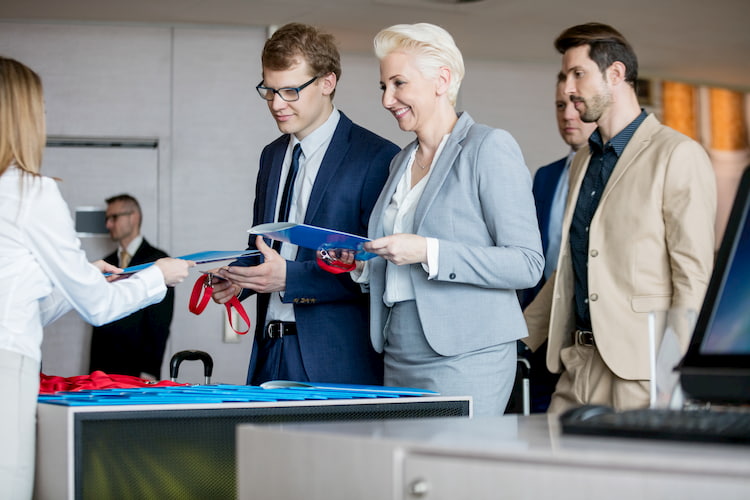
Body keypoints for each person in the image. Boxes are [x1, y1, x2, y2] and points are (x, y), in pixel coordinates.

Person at [0, 56, 192, 499]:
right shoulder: (33, 190)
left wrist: (82, 277)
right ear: (24, 116)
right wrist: (158, 277)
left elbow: (22, 304)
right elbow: (99, 309)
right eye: (41, 108)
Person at [523, 22, 717, 413]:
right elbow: (571, 268)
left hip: (643, 373)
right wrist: (516, 338)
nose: (567, 89)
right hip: (576, 364)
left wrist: (673, 371)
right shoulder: (581, 162)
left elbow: (693, 276)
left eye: (578, 74)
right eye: (564, 77)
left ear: (616, 74)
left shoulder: (677, 154)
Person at [357, 23, 543, 416]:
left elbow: (527, 264)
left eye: (399, 83)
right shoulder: (399, 161)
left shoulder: (489, 147)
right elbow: (394, 261)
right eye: (383, 87)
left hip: (467, 352)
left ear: (442, 79)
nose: (387, 99)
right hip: (398, 346)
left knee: (454, 471)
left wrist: (428, 251)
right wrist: (358, 261)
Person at [211, 23, 400, 386]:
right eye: (269, 90)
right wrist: (240, 279)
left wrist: (290, 277)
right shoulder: (271, 156)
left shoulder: (377, 158)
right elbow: (263, 247)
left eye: (290, 91)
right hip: (269, 351)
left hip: (336, 360)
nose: (277, 104)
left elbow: (376, 268)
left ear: (327, 83)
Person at [517, 76, 598, 413]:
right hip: (540, 321)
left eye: (576, 105)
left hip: (586, 325)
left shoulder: (610, 173)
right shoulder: (546, 175)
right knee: (535, 419)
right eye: (561, 106)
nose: (568, 115)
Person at [89, 194, 175, 380]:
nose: (108, 225)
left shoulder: (158, 261)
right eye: (107, 219)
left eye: (114, 218)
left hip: (137, 372)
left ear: (133, 217)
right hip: (101, 373)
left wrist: (149, 371)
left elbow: (159, 323)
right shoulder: (106, 262)